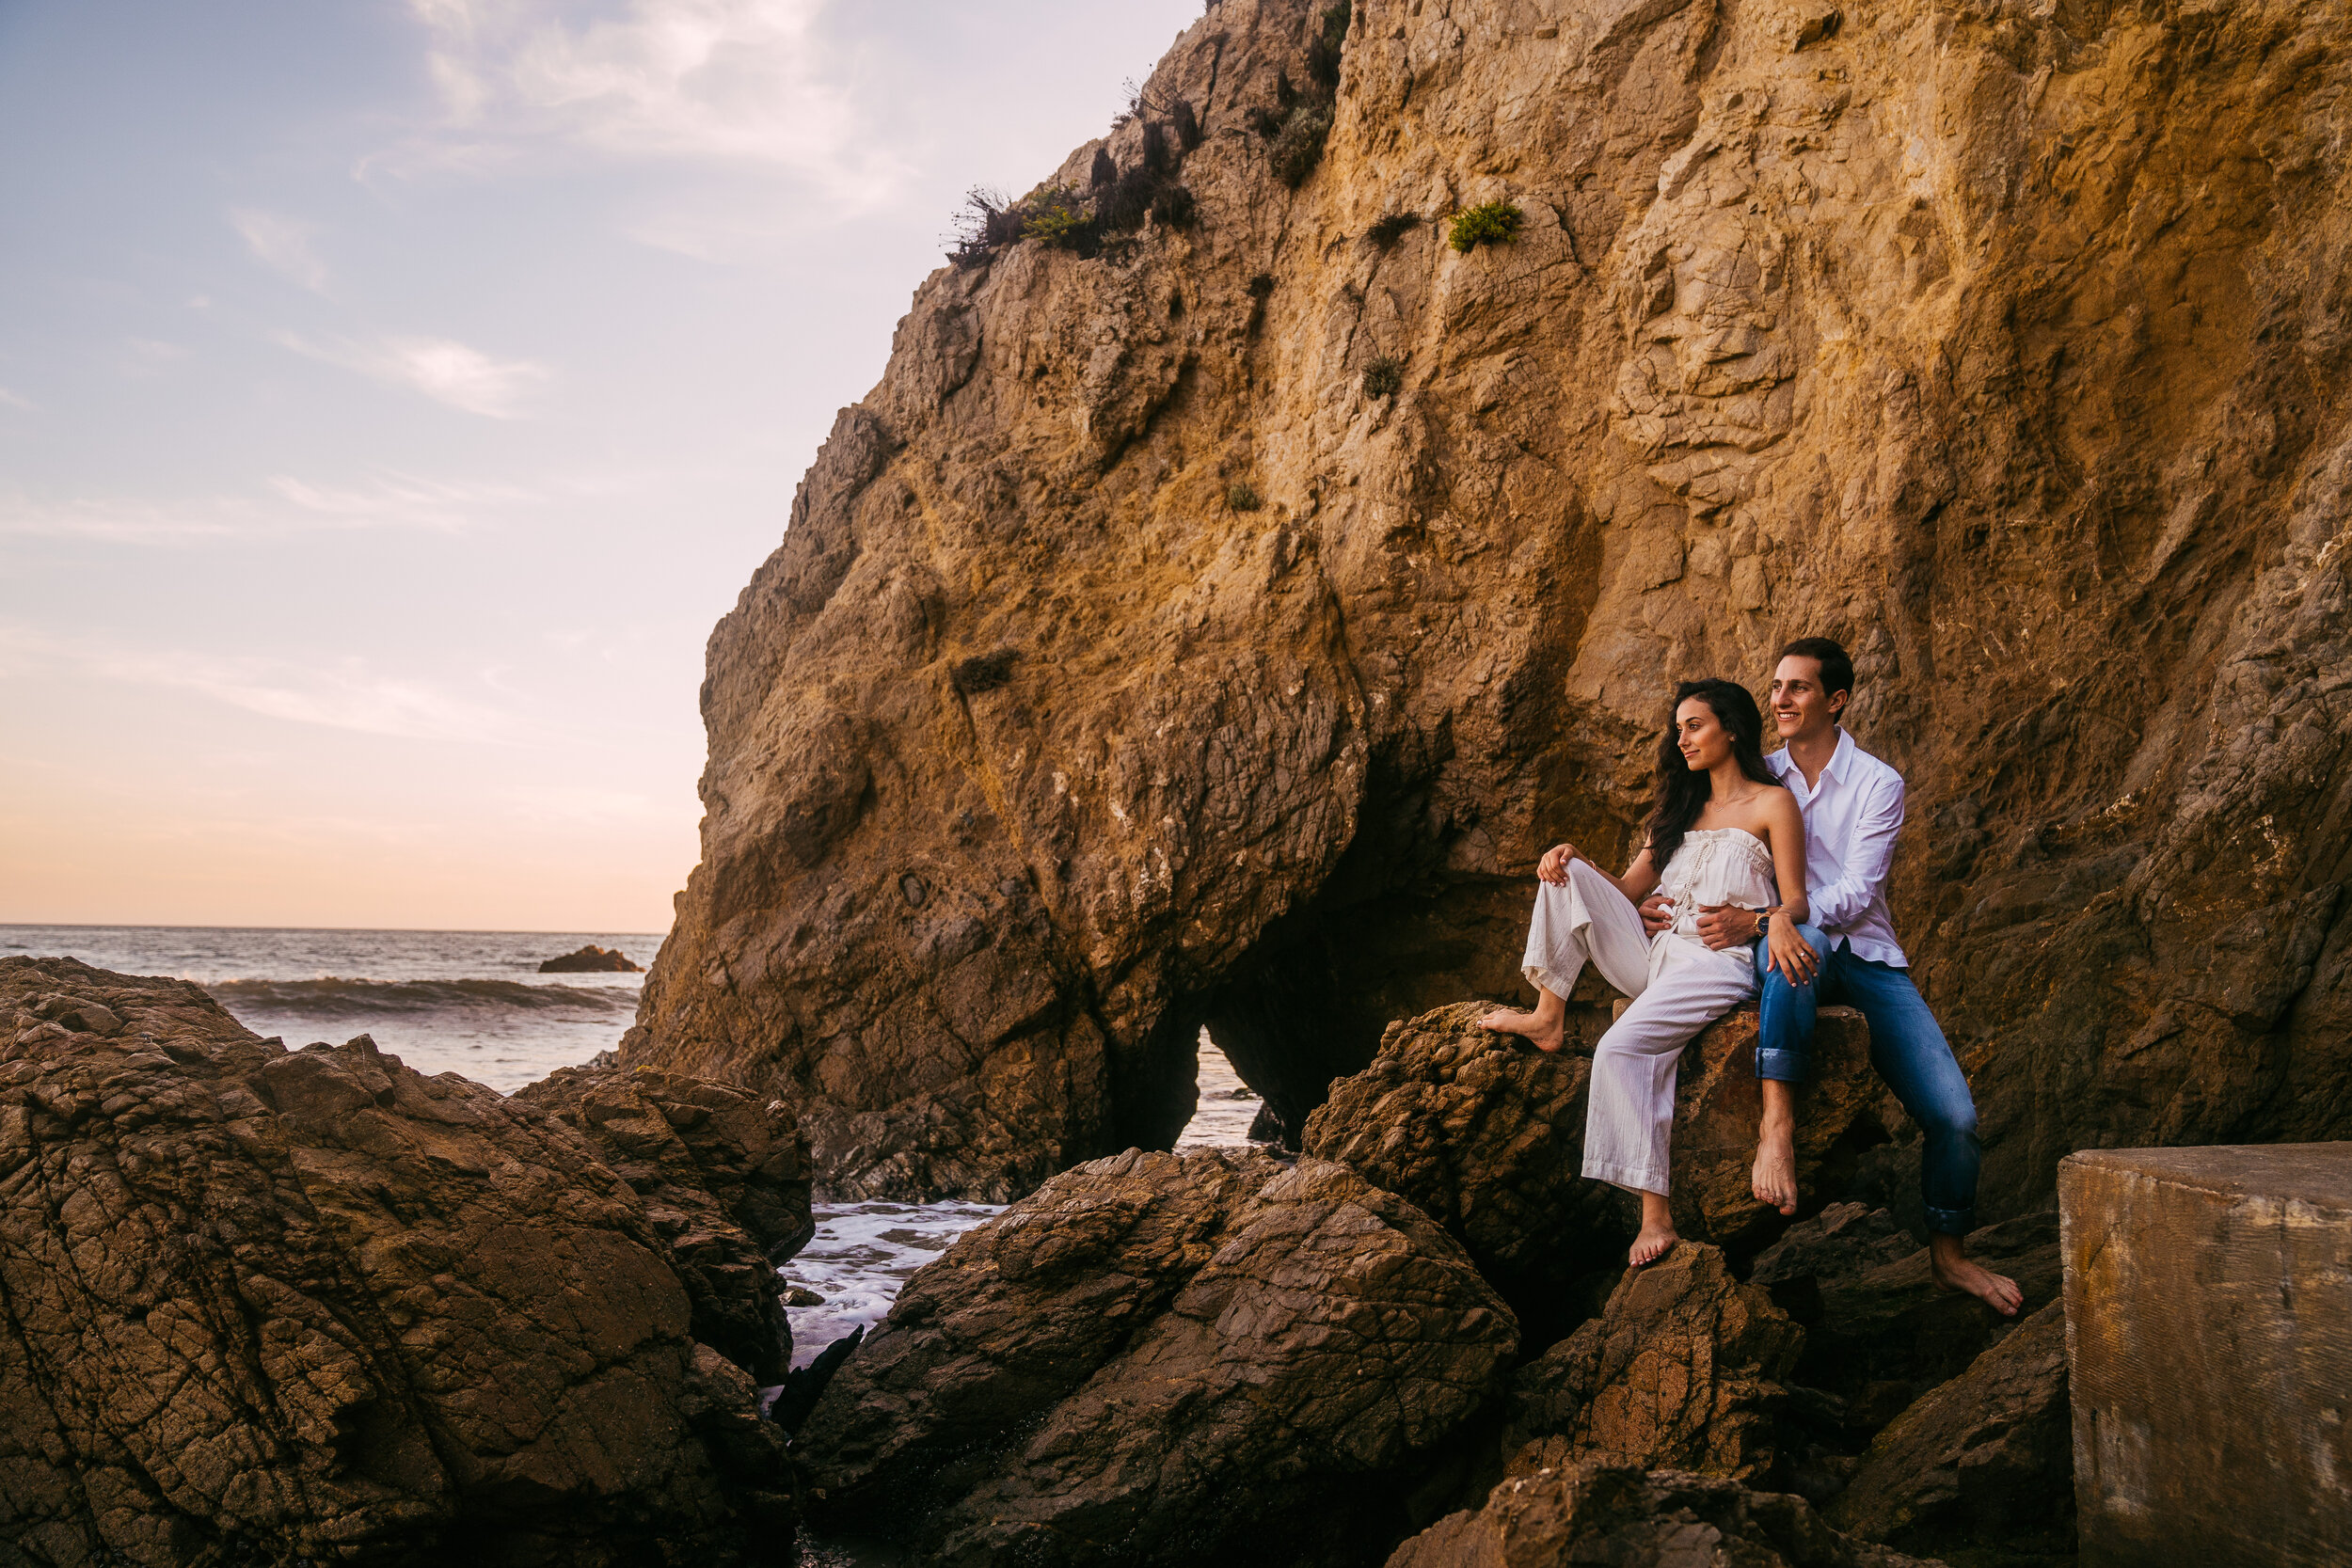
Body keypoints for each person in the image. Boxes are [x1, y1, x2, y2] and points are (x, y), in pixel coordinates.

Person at [1666, 638, 2022, 1315]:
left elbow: (1857, 891)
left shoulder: (1878, 783)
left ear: (1835, 701)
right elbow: (1695, 839)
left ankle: (1949, 1256)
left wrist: (1765, 916)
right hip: (1787, 945)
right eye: (1775, 687)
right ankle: (1778, 1132)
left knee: (1956, 1117)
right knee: (1796, 947)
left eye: (1797, 688)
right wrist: (1667, 903)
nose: (1780, 700)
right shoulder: (1758, 774)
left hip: (1866, 956)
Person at [1478, 679, 1816, 1267]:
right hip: (1655, 953)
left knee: (1621, 1049)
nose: (1682, 738)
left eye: (1695, 725)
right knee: (1562, 874)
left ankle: (1654, 1216)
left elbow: (1797, 903)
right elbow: (1626, 891)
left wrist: (1756, 918)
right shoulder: (1676, 811)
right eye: (1678, 728)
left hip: (1715, 960)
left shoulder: (1771, 803)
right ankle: (1547, 1015)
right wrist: (1573, 859)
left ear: (1731, 728)